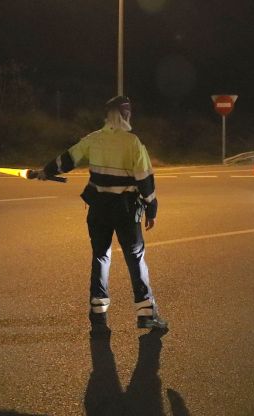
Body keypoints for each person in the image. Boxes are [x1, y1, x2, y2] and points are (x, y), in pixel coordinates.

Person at [30, 96, 167, 330]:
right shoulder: (133, 143)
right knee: (135, 259)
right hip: (126, 210)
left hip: (98, 209)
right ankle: (146, 314)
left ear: (106, 116)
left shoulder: (93, 140)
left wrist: (45, 171)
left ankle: (98, 313)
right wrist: (151, 209)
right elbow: (145, 180)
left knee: (101, 256)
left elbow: (66, 159)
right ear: (126, 115)